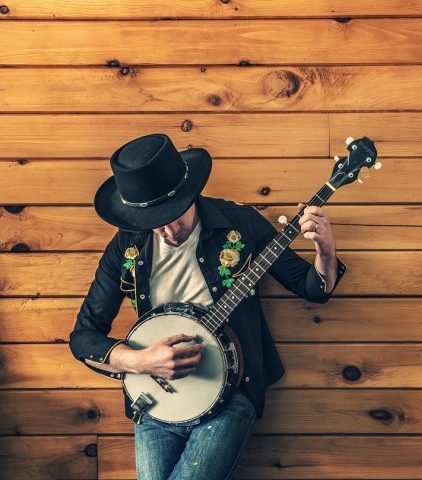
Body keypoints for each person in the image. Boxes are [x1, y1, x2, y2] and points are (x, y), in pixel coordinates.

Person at [68, 133, 347, 479]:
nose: (168, 231)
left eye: (174, 215)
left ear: (190, 194)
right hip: (155, 402)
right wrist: (139, 360)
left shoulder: (240, 222)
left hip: (231, 392)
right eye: (154, 222)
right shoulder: (127, 245)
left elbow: (312, 288)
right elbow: (83, 336)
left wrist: (326, 251)